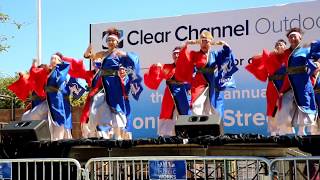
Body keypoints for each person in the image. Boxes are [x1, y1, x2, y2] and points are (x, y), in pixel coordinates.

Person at [84, 27, 142, 140]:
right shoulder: (103, 53)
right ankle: (97, 130)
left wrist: (125, 54)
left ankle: (118, 135)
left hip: (114, 83)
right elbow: (88, 56)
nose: (110, 42)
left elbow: (135, 59)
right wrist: (88, 49)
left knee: (116, 107)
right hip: (103, 83)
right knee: (96, 104)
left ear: (117, 42)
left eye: (113, 40)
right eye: (108, 40)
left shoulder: (119, 53)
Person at [175, 31, 238, 119]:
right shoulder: (194, 54)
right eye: (202, 42)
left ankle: (213, 131)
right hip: (199, 83)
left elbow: (227, 56)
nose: (204, 44)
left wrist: (225, 45)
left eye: (206, 42)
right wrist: (187, 43)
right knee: (196, 107)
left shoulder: (215, 54)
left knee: (213, 110)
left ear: (210, 43)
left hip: (213, 83)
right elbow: (184, 59)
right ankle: (198, 130)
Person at [277, 27, 319, 135]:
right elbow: (279, 67)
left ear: (300, 38)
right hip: (289, 84)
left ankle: (301, 131)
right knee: (286, 108)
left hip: (302, 83)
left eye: (294, 36)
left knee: (303, 107)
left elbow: (315, 60)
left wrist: (315, 65)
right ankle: (288, 133)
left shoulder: (306, 50)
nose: (292, 38)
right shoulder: (285, 53)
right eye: (290, 37)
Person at [144, 46, 191, 137]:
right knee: (168, 126)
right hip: (170, 99)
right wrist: (156, 68)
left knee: (185, 121)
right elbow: (153, 82)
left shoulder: (190, 68)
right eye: (175, 53)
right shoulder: (167, 68)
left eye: (179, 53)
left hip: (184, 99)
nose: (177, 55)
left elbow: (196, 82)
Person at [246, 39, 290, 136]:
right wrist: (270, 54)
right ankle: (273, 131)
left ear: (285, 47)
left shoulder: (288, 57)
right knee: (272, 109)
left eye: (281, 44)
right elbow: (254, 58)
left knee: (284, 107)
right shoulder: (269, 57)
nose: (279, 46)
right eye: (277, 44)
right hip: (272, 87)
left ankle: (283, 131)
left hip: (284, 86)